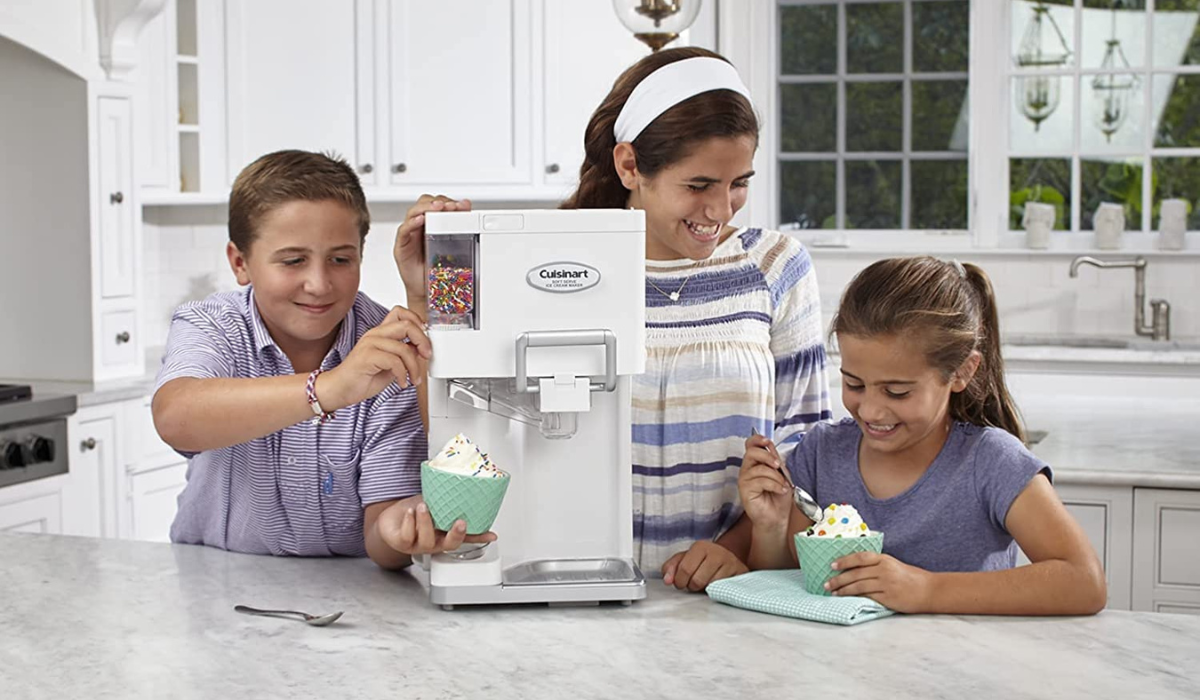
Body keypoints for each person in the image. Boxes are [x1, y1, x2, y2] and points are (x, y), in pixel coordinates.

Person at [393, 48, 832, 591]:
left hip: (725, 592)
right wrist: (423, 295)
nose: (721, 210)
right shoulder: (550, 261)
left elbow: (806, 448)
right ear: (630, 166)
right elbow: (460, 439)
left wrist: (731, 550)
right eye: (698, 186)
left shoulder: (775, 267)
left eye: (738, 182)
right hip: (568, 582)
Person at [152, 149, 494, 570]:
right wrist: (330, 388)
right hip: (210, 579)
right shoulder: (213, 325)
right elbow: (176, 418)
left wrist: (398, 533)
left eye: (340, 259)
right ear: (240, 262)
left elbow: (382, 533)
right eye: (293, 260)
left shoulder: (386, 350)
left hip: (346, 594)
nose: (318, 284)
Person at [738, 257, 1107, 615]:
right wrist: (770, 527)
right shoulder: (822, 453)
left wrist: (927, 589)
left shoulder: (991, 462)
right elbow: (785, 583)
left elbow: (1084, 581)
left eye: (896, 392)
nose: (870, 410)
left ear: (962, 372)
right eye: (854, 384)